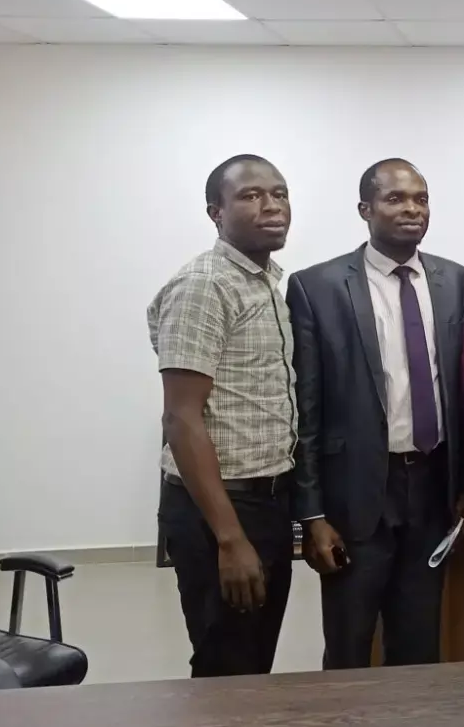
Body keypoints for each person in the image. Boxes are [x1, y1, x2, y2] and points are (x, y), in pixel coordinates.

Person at [287, 159, 464, 669]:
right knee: (349, 645)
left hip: (433, 489)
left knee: (419, 643)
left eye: (421, 199)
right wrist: (311, 515)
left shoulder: (457, 281)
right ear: (365, 209)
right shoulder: (317, 287)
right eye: (395, 199)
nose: (412, 209)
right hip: (355, 496)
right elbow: (306, 410)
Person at [150, 154, 297, 678]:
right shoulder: (204, 285)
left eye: (279, 194)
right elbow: (181, 418)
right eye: (251, 196)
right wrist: (230, 539)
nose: (271, 206)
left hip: (268, 500)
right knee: (226, 670)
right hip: (221, 508)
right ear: (216, 212)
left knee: (253, 662)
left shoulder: (263, 284)